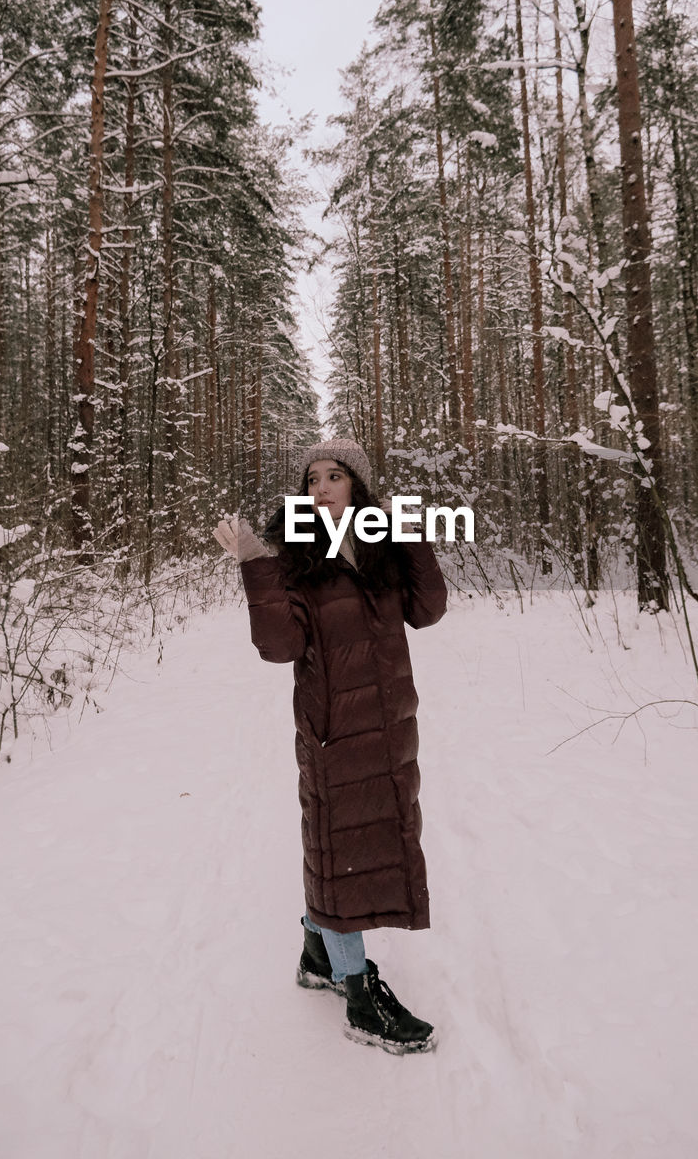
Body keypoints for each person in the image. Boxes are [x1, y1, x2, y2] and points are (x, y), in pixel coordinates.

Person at [213, 438, 448, 1055]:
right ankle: (358, 993)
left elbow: (428, 610)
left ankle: (318, 951)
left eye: (335, 476)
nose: (321, 487)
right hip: (334, 732)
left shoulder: (380, 547)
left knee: (362, 844)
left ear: (357, 488)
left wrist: (412, 533)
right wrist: (255, 565)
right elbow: (279, 647)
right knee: (339, 850)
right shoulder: (293, 556)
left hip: (392, 727)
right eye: (312, 477)